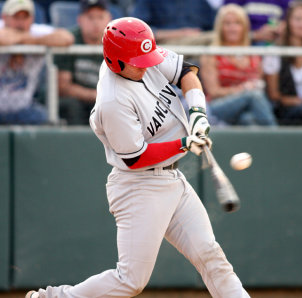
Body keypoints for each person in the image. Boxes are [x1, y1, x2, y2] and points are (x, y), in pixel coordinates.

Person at [25, 17, 251, 298]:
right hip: (139, 187)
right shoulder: (113, 100)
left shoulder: (141, 55)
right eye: (137, 61)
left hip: (172, 179)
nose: (147, 64)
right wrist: (184, 143)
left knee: (211, 256)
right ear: (114, 62)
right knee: (130, 280)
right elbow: (136, 158)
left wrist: (197, 114)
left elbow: (187, 73)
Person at [0, 0, 73, 125]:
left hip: (24, 109)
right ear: (4, 18)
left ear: (32, 19)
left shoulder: (36, 31)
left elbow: (67, 38)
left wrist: (23, 40)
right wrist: (28, 39)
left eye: (25, 17)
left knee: (49, 122)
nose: (20, 22)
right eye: (16, 17)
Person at [200, 3, 277, 126]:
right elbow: (213, 92)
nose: (232, 28)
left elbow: (259, 84)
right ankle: (277, 137)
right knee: (254, 96)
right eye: (227, 23)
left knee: (248, 119)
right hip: (217, 107)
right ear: (220, 27)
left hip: (247, 107)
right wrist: (243, 90)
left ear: (244, 27)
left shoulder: (254, 55)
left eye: (237, 23)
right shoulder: (211, 54)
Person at [55, 0, 112, 125]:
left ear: (108, 19)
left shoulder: (116, 43)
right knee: (71, 106)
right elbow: (63, 87)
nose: (95, 23)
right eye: (90, 17)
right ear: (80, 20)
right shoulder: (69, 41)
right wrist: (95, 95)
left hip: (103, 99)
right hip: (78, 101)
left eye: (100, 17)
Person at [263, 1, 302, 125]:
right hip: (286, 111)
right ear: (288, 22)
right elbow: (274, 96)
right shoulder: (274, 52)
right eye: (298, 19)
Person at [130, 0, 216, 45]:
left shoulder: (199, 2)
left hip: (200, 46)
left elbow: (214, 25)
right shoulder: (149, 2)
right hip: (165, 46)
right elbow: (138, 30)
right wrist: (180, 33)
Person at [223, 0, 293, 44]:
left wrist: (281, 27)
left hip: (275, 42)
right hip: (247, 44)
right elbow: (225, 25)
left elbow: (290, 19)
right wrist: (255, 35)